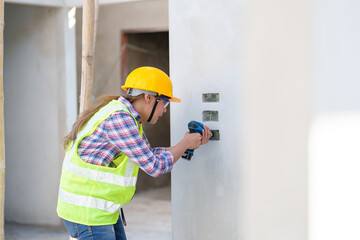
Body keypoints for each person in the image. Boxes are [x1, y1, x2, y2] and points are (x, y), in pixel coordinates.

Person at [57, 66, 212, 240]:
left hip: (102, 209)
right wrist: (185, 143)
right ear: (149, 98)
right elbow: (155, 167)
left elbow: (148, 155)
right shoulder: (120, 119)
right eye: (165, 102)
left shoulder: (127, 117)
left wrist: (185, 145)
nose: (165, 110)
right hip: (88, 212)